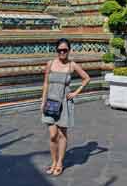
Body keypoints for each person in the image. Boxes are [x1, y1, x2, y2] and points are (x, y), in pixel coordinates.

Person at [41, 38, 90, 176]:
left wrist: (75, 92)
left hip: (64, 102)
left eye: (65, 50)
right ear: (56, 50)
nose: (62, 52)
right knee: (52, 135)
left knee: (62, 134)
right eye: (60, 50)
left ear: (69, 50)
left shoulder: (72, 65)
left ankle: (59, 163)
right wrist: (42, 101)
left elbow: (86, 78)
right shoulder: (50, 64)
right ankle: (53, 161)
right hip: (50, 102)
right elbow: (45, 83)